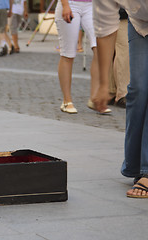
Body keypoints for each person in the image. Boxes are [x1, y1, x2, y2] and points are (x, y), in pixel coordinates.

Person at [92, 1, 148, 198]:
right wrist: (103, 85)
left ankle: (147, 169)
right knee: (138, 89)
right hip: (140, 23)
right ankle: (135, 165)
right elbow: (105, 29)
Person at [54, 0, 111, 114]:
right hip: (70, 4)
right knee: (68, 53)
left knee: (100, 49)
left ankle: (94, 98)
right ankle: (67, 101)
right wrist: (65, 5)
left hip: (92, 5)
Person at [107, 8, 129, 109]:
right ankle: (122, 93)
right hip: (120, 11)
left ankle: (111, 92)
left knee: (113, 51)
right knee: (123, 51)